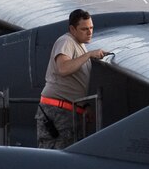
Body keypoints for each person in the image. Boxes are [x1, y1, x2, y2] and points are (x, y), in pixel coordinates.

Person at [35, 9, 107, 149]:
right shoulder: (66, 41)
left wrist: (84, 105)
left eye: (91, 28)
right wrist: (89, 55)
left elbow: (74, 82)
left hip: (68, 111)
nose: (89, 32)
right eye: (84, 29)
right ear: (72, 29)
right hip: (58, 112)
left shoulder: (80, 45)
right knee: (56, 160)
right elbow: (63, 68)